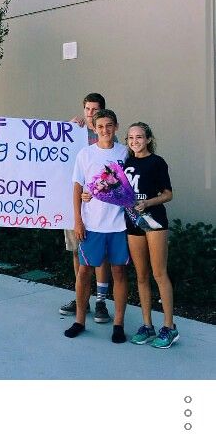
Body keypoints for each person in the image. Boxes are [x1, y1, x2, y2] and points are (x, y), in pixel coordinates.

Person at [64, 109, 129, 343]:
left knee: (119, 272)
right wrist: (78, 220)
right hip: (92, 225)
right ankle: (80, 320)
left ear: (116, 127)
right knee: (84, 272)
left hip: (119, 225)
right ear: (95, 128)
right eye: (101, 126)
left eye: (109, 125)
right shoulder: (85, 154)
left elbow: (131, 184)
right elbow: (76, 188)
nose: (105, 130)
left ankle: (119, 324)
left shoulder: (125, 152)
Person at [124, 122, 178, 348]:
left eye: (139, 137)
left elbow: (168, 194)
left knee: (158, 273)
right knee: (142, 275)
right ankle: (147, 325)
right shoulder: (126, 163)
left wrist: (147, 202)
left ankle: (169, 327)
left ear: (148, 139)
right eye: (131, 138)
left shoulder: (157, 162)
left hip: (154, 221)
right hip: (133, 223)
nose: (135, 141)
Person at [60, 92, 112, 323]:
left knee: (100, 256)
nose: (90, 114)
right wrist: (66, 129)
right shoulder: (74, 133)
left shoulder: (106, 136)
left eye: (95, 110)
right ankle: (82, 299)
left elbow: (112, 174)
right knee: (77, 252)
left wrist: (95, 190)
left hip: (100, 211)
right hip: (74, 206)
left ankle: (101, 302)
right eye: (87, 110)